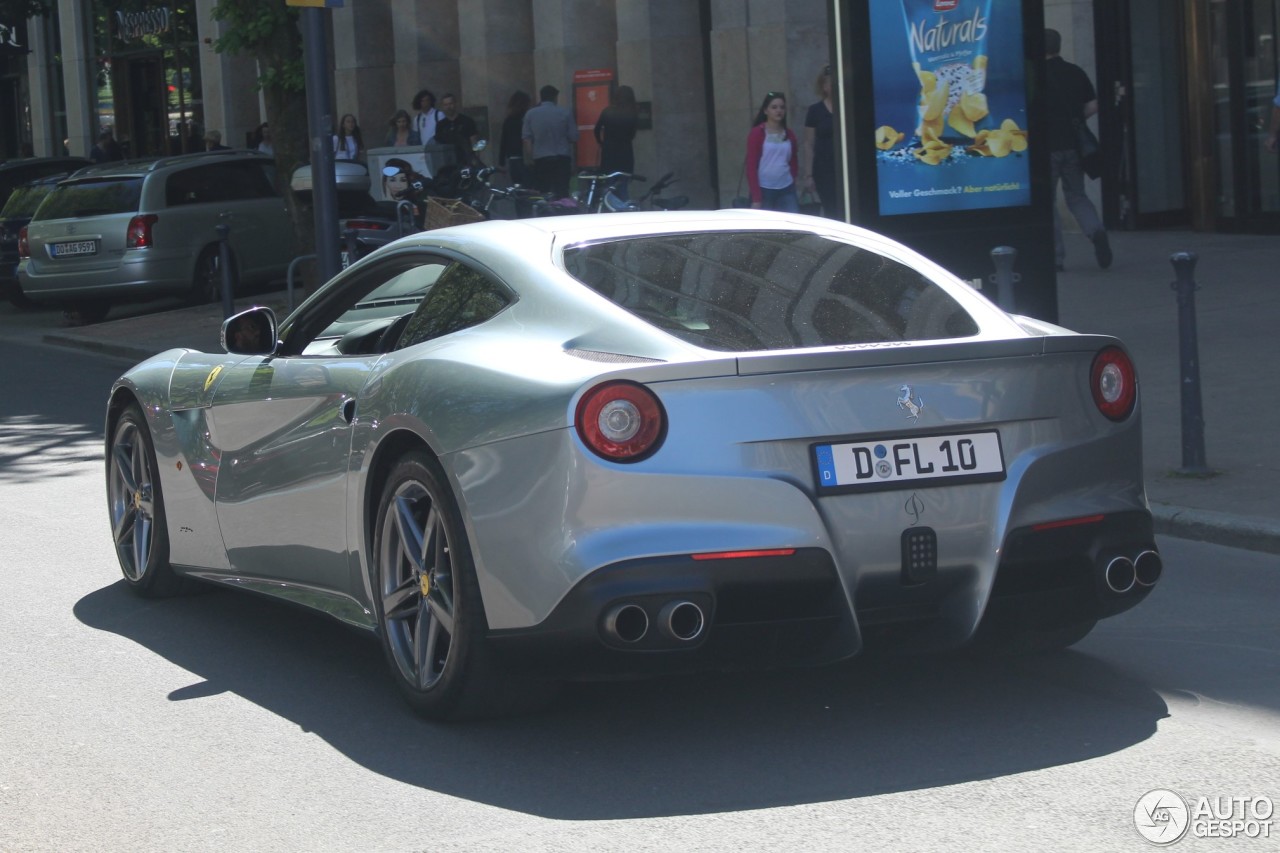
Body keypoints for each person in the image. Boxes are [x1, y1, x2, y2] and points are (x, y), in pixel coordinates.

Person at [1045, 28, 1111, 271]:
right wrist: (1075, 119)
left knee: (1047, 201)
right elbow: (1093, 105)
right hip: (1074, 145)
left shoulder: (1035, 75)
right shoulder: (1075, 72)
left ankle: (1056, 257)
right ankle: (1096, 231)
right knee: (1077, 195)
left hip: (1047, 147)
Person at [745, 91, 799, 212]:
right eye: (774, 107)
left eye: (782, 107)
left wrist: (792, 177)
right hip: (765, 188)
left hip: (787, 188)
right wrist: (756, 198)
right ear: (766, 111)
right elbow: (751, 166)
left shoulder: (789, 134)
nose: (778, 111)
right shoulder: (757, 133)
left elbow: (794, 160)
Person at [522, 84, 578, 198]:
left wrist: (531, 158)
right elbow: (574, 137)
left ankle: (545, 213)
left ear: (541, 97)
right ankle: (562, 212)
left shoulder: (530, 114)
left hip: (541, 159)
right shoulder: (565, 112)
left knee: (542, 192)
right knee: (562, 191)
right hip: (562, 159)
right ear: (555, 97)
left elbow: (526, 139)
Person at [802, 65, 842, 219]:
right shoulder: (815, 111)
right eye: (831, 83)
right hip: (824, 170)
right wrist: (808, 175)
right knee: (831, 209)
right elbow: (808, 144)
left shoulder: (846, 108)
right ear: (824, 87)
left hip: (844, 169)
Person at [593, 84, 639, 200]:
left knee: (609, 185)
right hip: (625, 152)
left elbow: (596, 130)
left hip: (609, 152)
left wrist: (601, 142)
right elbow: (632, 134)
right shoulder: (632, 113)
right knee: (623, 186)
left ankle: (610, 209)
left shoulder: (607, 111)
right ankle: (623, 209)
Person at [434, 93, 480, 167]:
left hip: (465, 161)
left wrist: (475, 158)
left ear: (455, 104)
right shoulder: (440, 125)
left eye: (450, 103)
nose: (448, 107)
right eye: (446, 105)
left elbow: (474, 141)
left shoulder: (467, 121)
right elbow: (438, 144)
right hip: (447, 163)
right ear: (442, 107)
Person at [499, 90, 532, 185]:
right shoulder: (526, 119)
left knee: (517, 186)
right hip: (525, 158)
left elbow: (503, 141)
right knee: (529, 186)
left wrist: (501, 162)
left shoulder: (508, 120)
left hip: (512, 158)